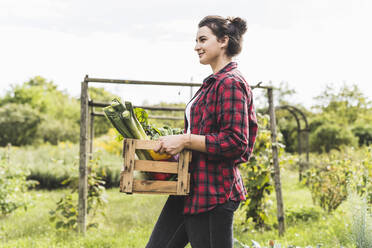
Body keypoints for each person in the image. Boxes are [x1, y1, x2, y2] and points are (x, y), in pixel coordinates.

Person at [146, 15, 258, 248]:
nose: (196, 46)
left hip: (214, 193)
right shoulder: (213, 83)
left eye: (203, 39)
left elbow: (236, 142)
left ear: (224, 41)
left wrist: (185, 140)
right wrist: (173, 141)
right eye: (196, 40)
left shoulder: (230, 83)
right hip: (188, 188)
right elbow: (203, 132)